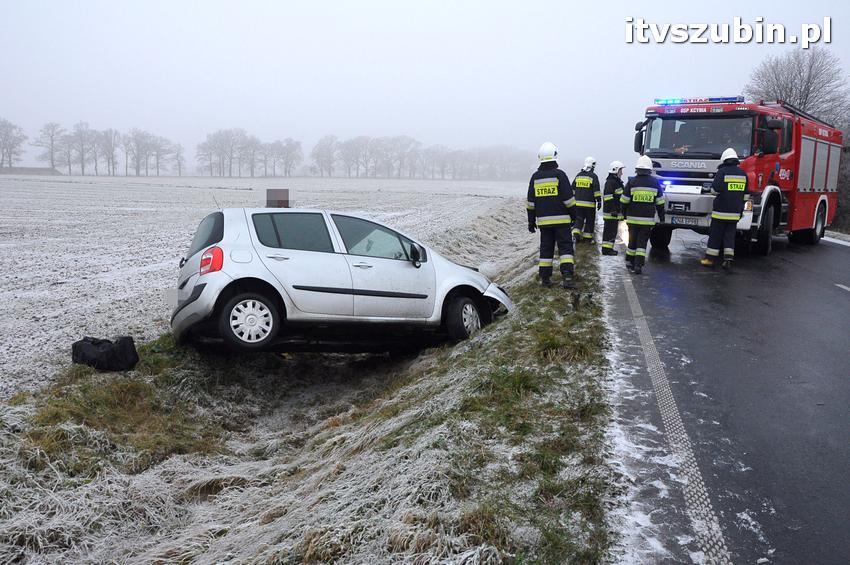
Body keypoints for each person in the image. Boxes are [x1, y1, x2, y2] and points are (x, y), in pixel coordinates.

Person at [527, 142, 577, 289]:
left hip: (544, 223)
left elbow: (531, 202)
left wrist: (531, 222)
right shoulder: (560, 175)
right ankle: (567, 277)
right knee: (566, 249)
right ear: (555, 156)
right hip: (562, 221)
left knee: (546, 249)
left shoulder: (535, 177)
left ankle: (545, 279)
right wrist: (574, 216)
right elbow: (569, 199)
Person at [701, 148, 751, 270]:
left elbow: (715, 190)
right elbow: (746, 195)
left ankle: (709, 259)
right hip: (734, 213)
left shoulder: (722, 172)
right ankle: (728, 259)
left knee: (715, 236)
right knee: (729, 236)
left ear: (724, 160)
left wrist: (709, 190)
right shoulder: (743, 174)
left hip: (720, 212)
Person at [621, 155, 665, 275]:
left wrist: (623, 214)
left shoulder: (632, 182)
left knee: (632, 241)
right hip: (647, 221)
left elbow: (624, 200)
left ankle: (629, 261)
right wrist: (662, 218)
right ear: (649, 169)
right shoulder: (655, 183)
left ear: (637, 169)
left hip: (632, 220)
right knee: (642, 244)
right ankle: (638, 266)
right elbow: (660, 202)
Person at [571, 157, 601, 245]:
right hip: (589, 205)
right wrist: (599, 201)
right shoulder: (593, 176)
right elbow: (596, 191)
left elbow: (572, 189)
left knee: (578, 220)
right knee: (589, 221)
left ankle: (576, 234)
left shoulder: (578, 175)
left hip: (577, 204)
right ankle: (587, 239)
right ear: (592, 166)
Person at [601, 161, 625, 255]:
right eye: (620, 171)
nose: (622, 173)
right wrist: (613, 210)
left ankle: (608, 249)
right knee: (609, 232)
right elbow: (608, 197)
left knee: (612, 232)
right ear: (615, 170)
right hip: (611, 213)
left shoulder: (616, 182)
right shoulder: (611, 182)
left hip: (613, 213)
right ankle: (606, 250)